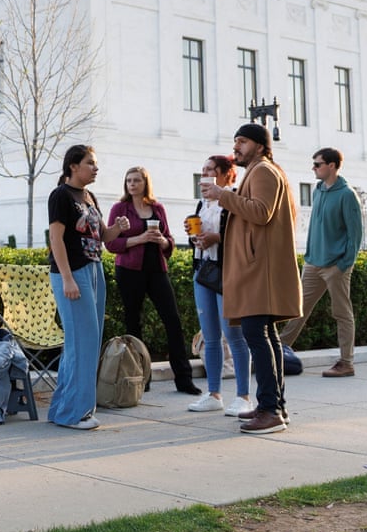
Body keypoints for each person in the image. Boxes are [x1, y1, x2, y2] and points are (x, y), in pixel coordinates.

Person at [200, 124, 301, 435]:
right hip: (260, 270)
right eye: (235, 142)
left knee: (259, 337)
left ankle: (271, 410)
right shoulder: (260, 171)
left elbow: (261, 212)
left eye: (242, 142)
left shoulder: (263, 172)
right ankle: (273, 405)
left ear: (259, 145)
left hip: (262, 272)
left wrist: (222, 196)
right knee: (264, 337)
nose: (236, 148)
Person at [47, 144, 129, 430]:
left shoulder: (90, 196)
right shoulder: (60, 196)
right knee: (82, 341)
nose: (96, 168)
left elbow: (103, 237)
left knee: (84, 343)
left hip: (94, 269)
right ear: (73, 166)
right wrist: (67, 278)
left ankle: (64, 410)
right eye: (90, 163)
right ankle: (76, 412)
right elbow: (56, 240)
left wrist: (117, 227)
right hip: (72, 273)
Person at [105, 166, 200, 395]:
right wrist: (139, 239)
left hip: (157, 270)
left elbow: (169, 240)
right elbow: (110, 244)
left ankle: (184, 379)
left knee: (173, 322)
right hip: (129, 271)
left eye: (136, 180)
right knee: (133, 325)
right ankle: (140, 379)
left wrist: (163, 242)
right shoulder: (120, 208)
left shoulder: (157, 208)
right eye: (128, 180)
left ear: (145, 183)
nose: (132, 184)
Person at [279, 147, 364, 378]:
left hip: (335, 266)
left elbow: (355, 235)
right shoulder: (318, 191)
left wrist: (343, 265)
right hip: (312, 264)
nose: (314, 168)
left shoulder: (347, 194)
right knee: (297, 309)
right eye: (314, 164)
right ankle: (275, 352)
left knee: (342, 313)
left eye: (318, 164)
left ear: (332, 166)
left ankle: (346, 362)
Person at [186, 154, 253, 416]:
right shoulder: (203, 203)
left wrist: (217, 237)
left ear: (227, 174)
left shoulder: (233, 197)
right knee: (210, 336)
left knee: (234, 335)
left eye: (211, 170)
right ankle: (213, 393)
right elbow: (201, 235)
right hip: (203, 271)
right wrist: (196, 236)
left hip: (227, 273)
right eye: (202, 169)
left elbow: (242, 235)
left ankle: (244, 396)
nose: (205, 174)